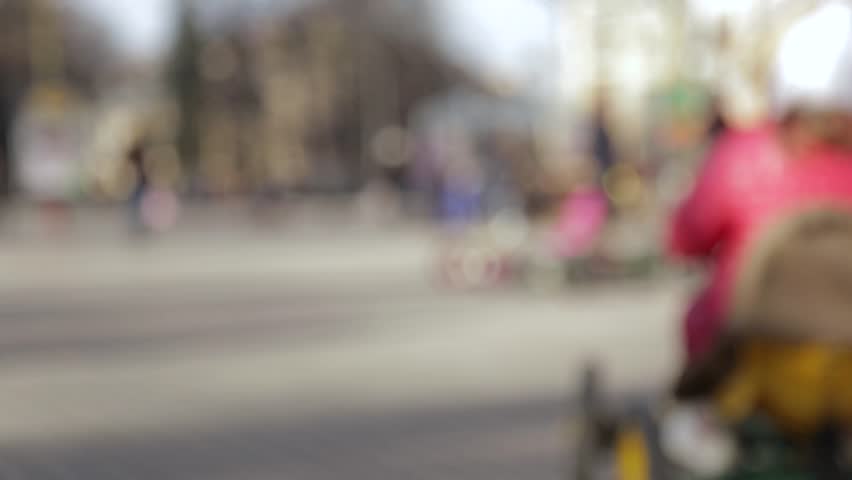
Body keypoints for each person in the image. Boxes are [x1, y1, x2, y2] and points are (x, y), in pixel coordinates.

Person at [663, 2, 852, 472]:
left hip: (753, 363)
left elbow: (685, 238)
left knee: (701, 315)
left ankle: (699, 433)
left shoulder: (739, 157)